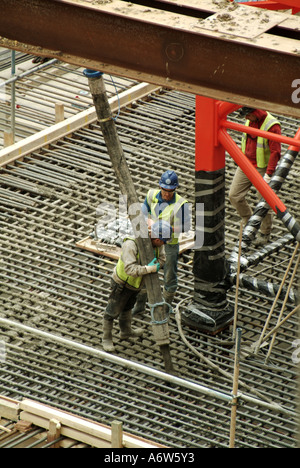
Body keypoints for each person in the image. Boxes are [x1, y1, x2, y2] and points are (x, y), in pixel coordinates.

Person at [102, 219, 172, 352]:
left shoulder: (158, 244)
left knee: (127, 308)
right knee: (112, 311)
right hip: (122, 283)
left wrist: (157, 265)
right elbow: (130, 269)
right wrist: (148, 269)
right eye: (162, 241)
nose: (162, 244)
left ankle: (126, 331)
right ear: (156, 238)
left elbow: (163, 258)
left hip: (136, 285)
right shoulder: (131, 244)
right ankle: (106, 338)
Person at [132, 170, 191, 315]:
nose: (167, 193)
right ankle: (140, 305)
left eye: (170, 191)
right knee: (146, 270)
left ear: (175, 189)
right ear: (160, 187)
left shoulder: (181, 203)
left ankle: (165, 307)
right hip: (152, 240)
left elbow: (186, 226)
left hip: (169, 243)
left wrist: (169, 228)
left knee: (169, 275)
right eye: (165, 190)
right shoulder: (151, 195)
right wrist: (148, 221)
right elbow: (143, 213)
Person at [229, 107, 281, 246]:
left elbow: (275, 152)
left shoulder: (272, 125)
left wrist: (269, 174)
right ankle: (249, 222)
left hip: (262, 167)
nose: (246, 119)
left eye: (247, 116)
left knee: (263, 200)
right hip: (246, 164)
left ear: (254, 113)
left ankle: (265, 232)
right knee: (234, 195)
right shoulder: (250, 120)